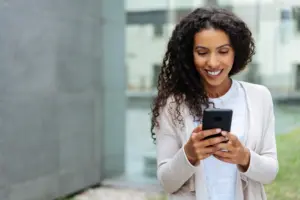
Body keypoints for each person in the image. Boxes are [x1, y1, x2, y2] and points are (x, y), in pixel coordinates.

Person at [150, 7, 278, 200]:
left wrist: (243, 156)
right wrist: (189, 154)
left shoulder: (259, 97)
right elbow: (167, 182)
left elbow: (270, 173)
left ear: (236, 52)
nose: (212, 62)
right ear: (189, 54)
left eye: (223, 51)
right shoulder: (172, 105)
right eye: (202, 52)